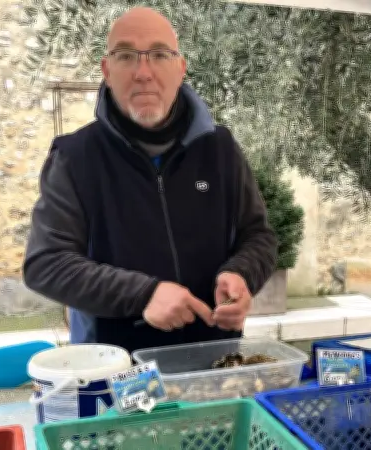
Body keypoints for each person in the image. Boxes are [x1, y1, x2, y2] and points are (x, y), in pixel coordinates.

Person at [23, 6, 278, 353]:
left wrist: (242, 274)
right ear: (107, 70)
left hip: (214, 362)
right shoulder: (75, 157)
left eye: (159, 55)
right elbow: (46, 263)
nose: (144, 72)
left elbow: (258, 237)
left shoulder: (220, 149)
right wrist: (144, 294)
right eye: (127, 56)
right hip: (114, 369)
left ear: (180, 67)